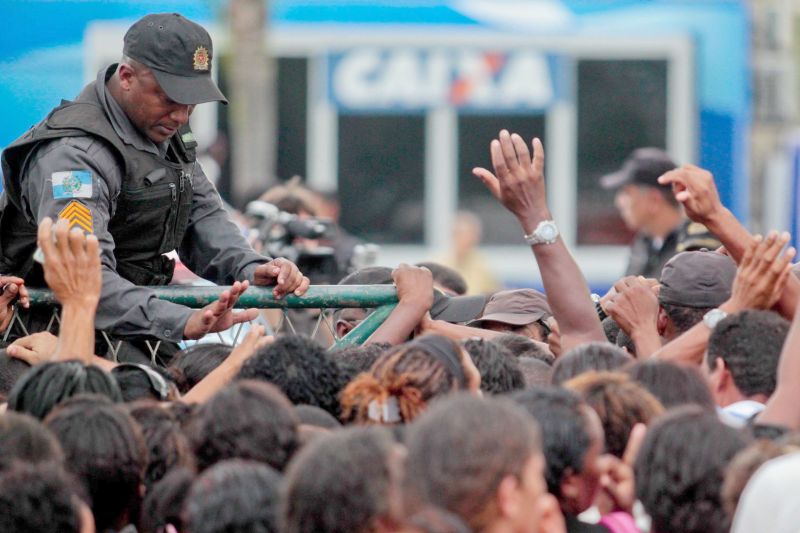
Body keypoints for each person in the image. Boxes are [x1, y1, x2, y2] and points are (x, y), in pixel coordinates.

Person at [0, 13, 309, 359]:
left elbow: (203, 216)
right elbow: (84, 277)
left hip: (130, 326)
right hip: (42, 333)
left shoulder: (162, 128)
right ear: (126, 77)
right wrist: (181, 320)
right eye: (170, 98)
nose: (182, 116)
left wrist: (253, 267)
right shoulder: (73, 157)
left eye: (191, 101)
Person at [600, 147, 719, 277]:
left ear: (654, 200)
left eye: (627, 193)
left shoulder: (697, 247)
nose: (619, 202)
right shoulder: (643, 243)